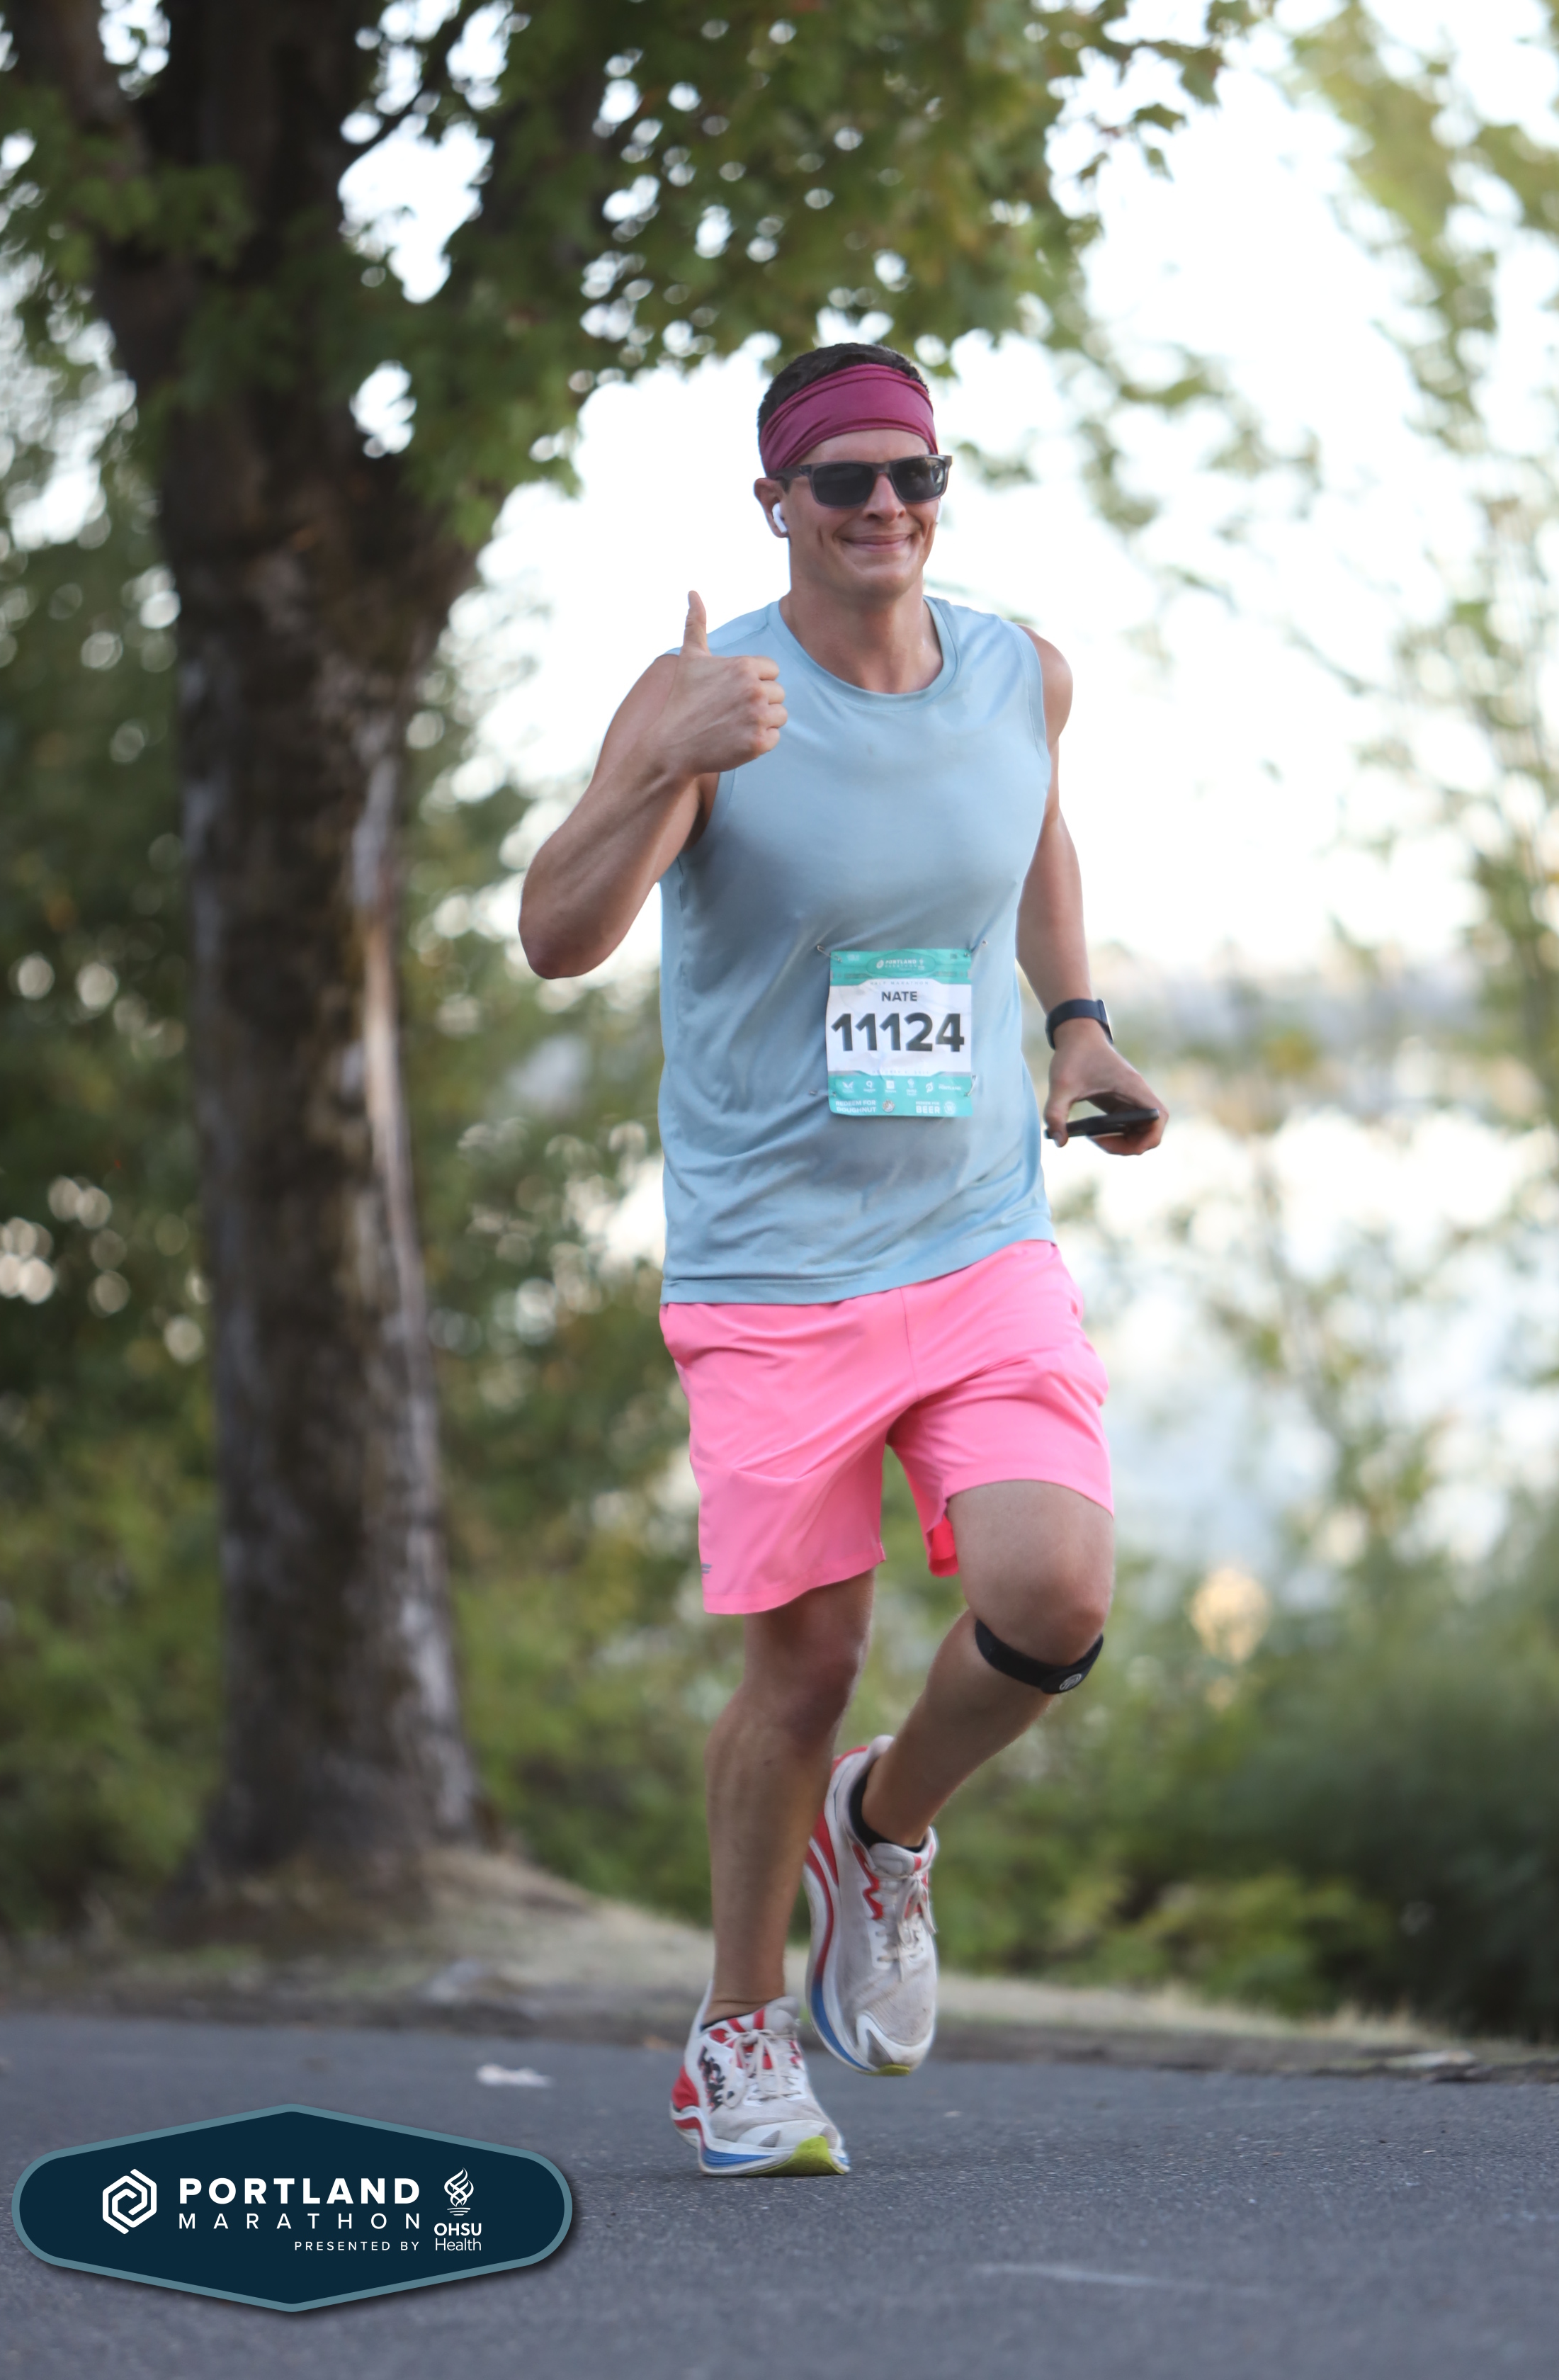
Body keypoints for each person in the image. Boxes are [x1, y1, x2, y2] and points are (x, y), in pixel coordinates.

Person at [520, 341, 1167, 2177]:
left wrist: (1078, 1027)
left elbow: (1034, 832)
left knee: (1057, 1594)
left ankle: (882, 1825)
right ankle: (735, 2035)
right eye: (842, 481)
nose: (885, 506)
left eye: (913, 475)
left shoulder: (1019, 672)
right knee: (801, 1670)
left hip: (973, 1233)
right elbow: (557, 934)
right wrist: (660, 764)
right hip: (771, 1269)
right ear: (775, 503)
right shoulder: (712, 696)